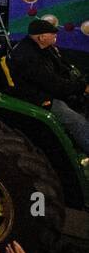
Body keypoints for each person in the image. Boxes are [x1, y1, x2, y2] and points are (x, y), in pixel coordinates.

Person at [5, 18, 89, 154]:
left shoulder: (45, 48)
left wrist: (79, 83)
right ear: (42, 37)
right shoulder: (28, 56)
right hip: (38, 97)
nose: (56, 36)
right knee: (76, 121)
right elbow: (53, 85)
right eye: (53, 34)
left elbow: (62, 69)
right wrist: (81, 87)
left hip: (49, 89)